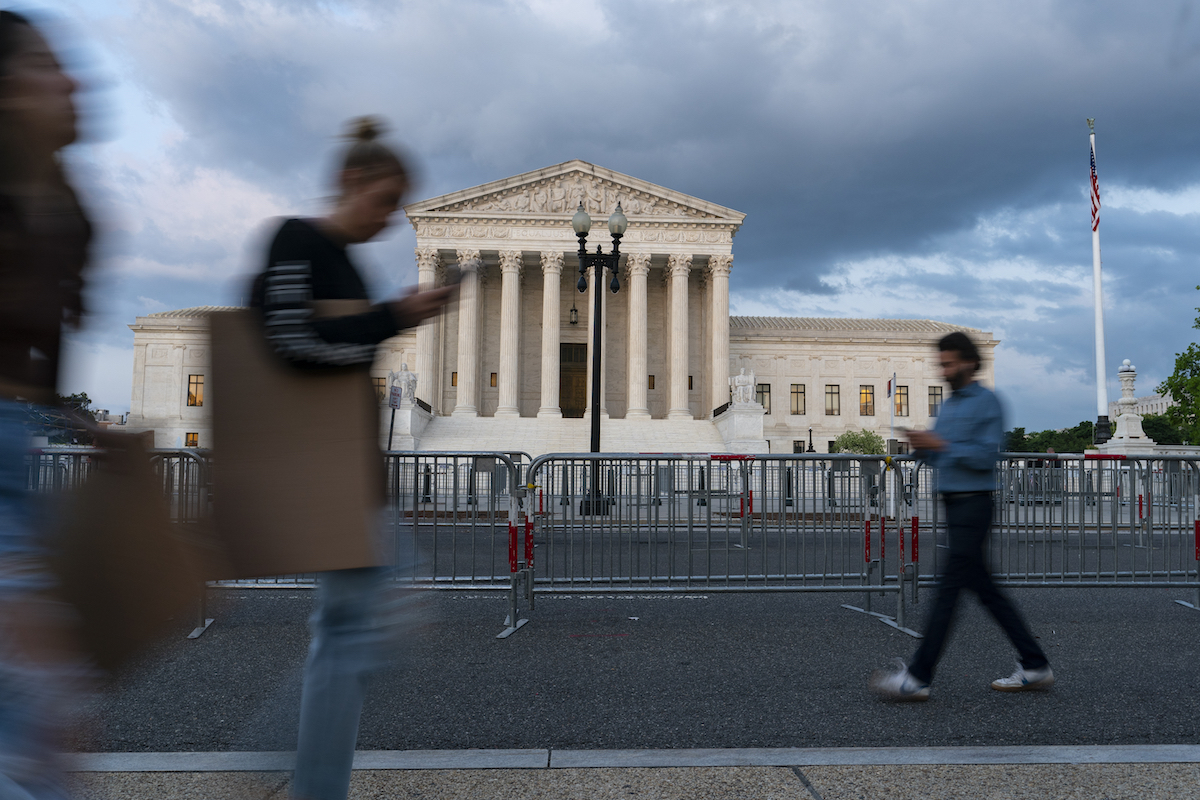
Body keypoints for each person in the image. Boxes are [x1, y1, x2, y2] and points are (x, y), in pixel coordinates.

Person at [249, 117, 454, 800]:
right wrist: (395, 317)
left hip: (358, 475)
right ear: (351, 181)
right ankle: (287, 769)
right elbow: (292, 343)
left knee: (361, 630)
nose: (392, 219)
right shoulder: (295, 240)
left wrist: (389, 318)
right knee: (350, 636)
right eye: (385, 202)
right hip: (323, 471)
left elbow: (341, 350)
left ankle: (295, 770)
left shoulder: (348, 263)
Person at [0, 9, 91, 797]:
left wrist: (81, 422)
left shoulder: (54, 207)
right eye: (44, 66)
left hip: (19, 452)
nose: (72, 80)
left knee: (41, 722)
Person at [870, 331, 1053, 701]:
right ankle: (1034, 664)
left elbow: (986, 456)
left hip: (975, 503)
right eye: (941, 362)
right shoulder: (948, 406)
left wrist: (940, 444)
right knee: (986, 591)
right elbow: (941, 453)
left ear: (969, 362)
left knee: (948, 590)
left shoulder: (988, 402)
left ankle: (919, 676)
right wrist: (922, 445)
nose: (943, 369)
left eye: (949, 362)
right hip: (954, 505)